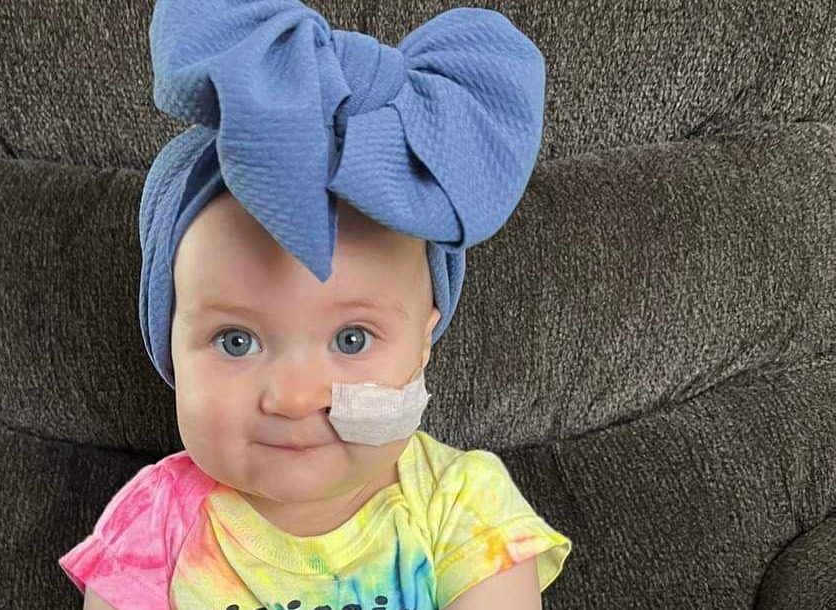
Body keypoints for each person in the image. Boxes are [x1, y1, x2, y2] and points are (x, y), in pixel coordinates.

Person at [61, 1, 572, 608]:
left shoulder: (464, 508)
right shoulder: (154, 525)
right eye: (235, 341)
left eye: (352, 339)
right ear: (167, 343)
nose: (295, 398)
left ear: (423, 344)